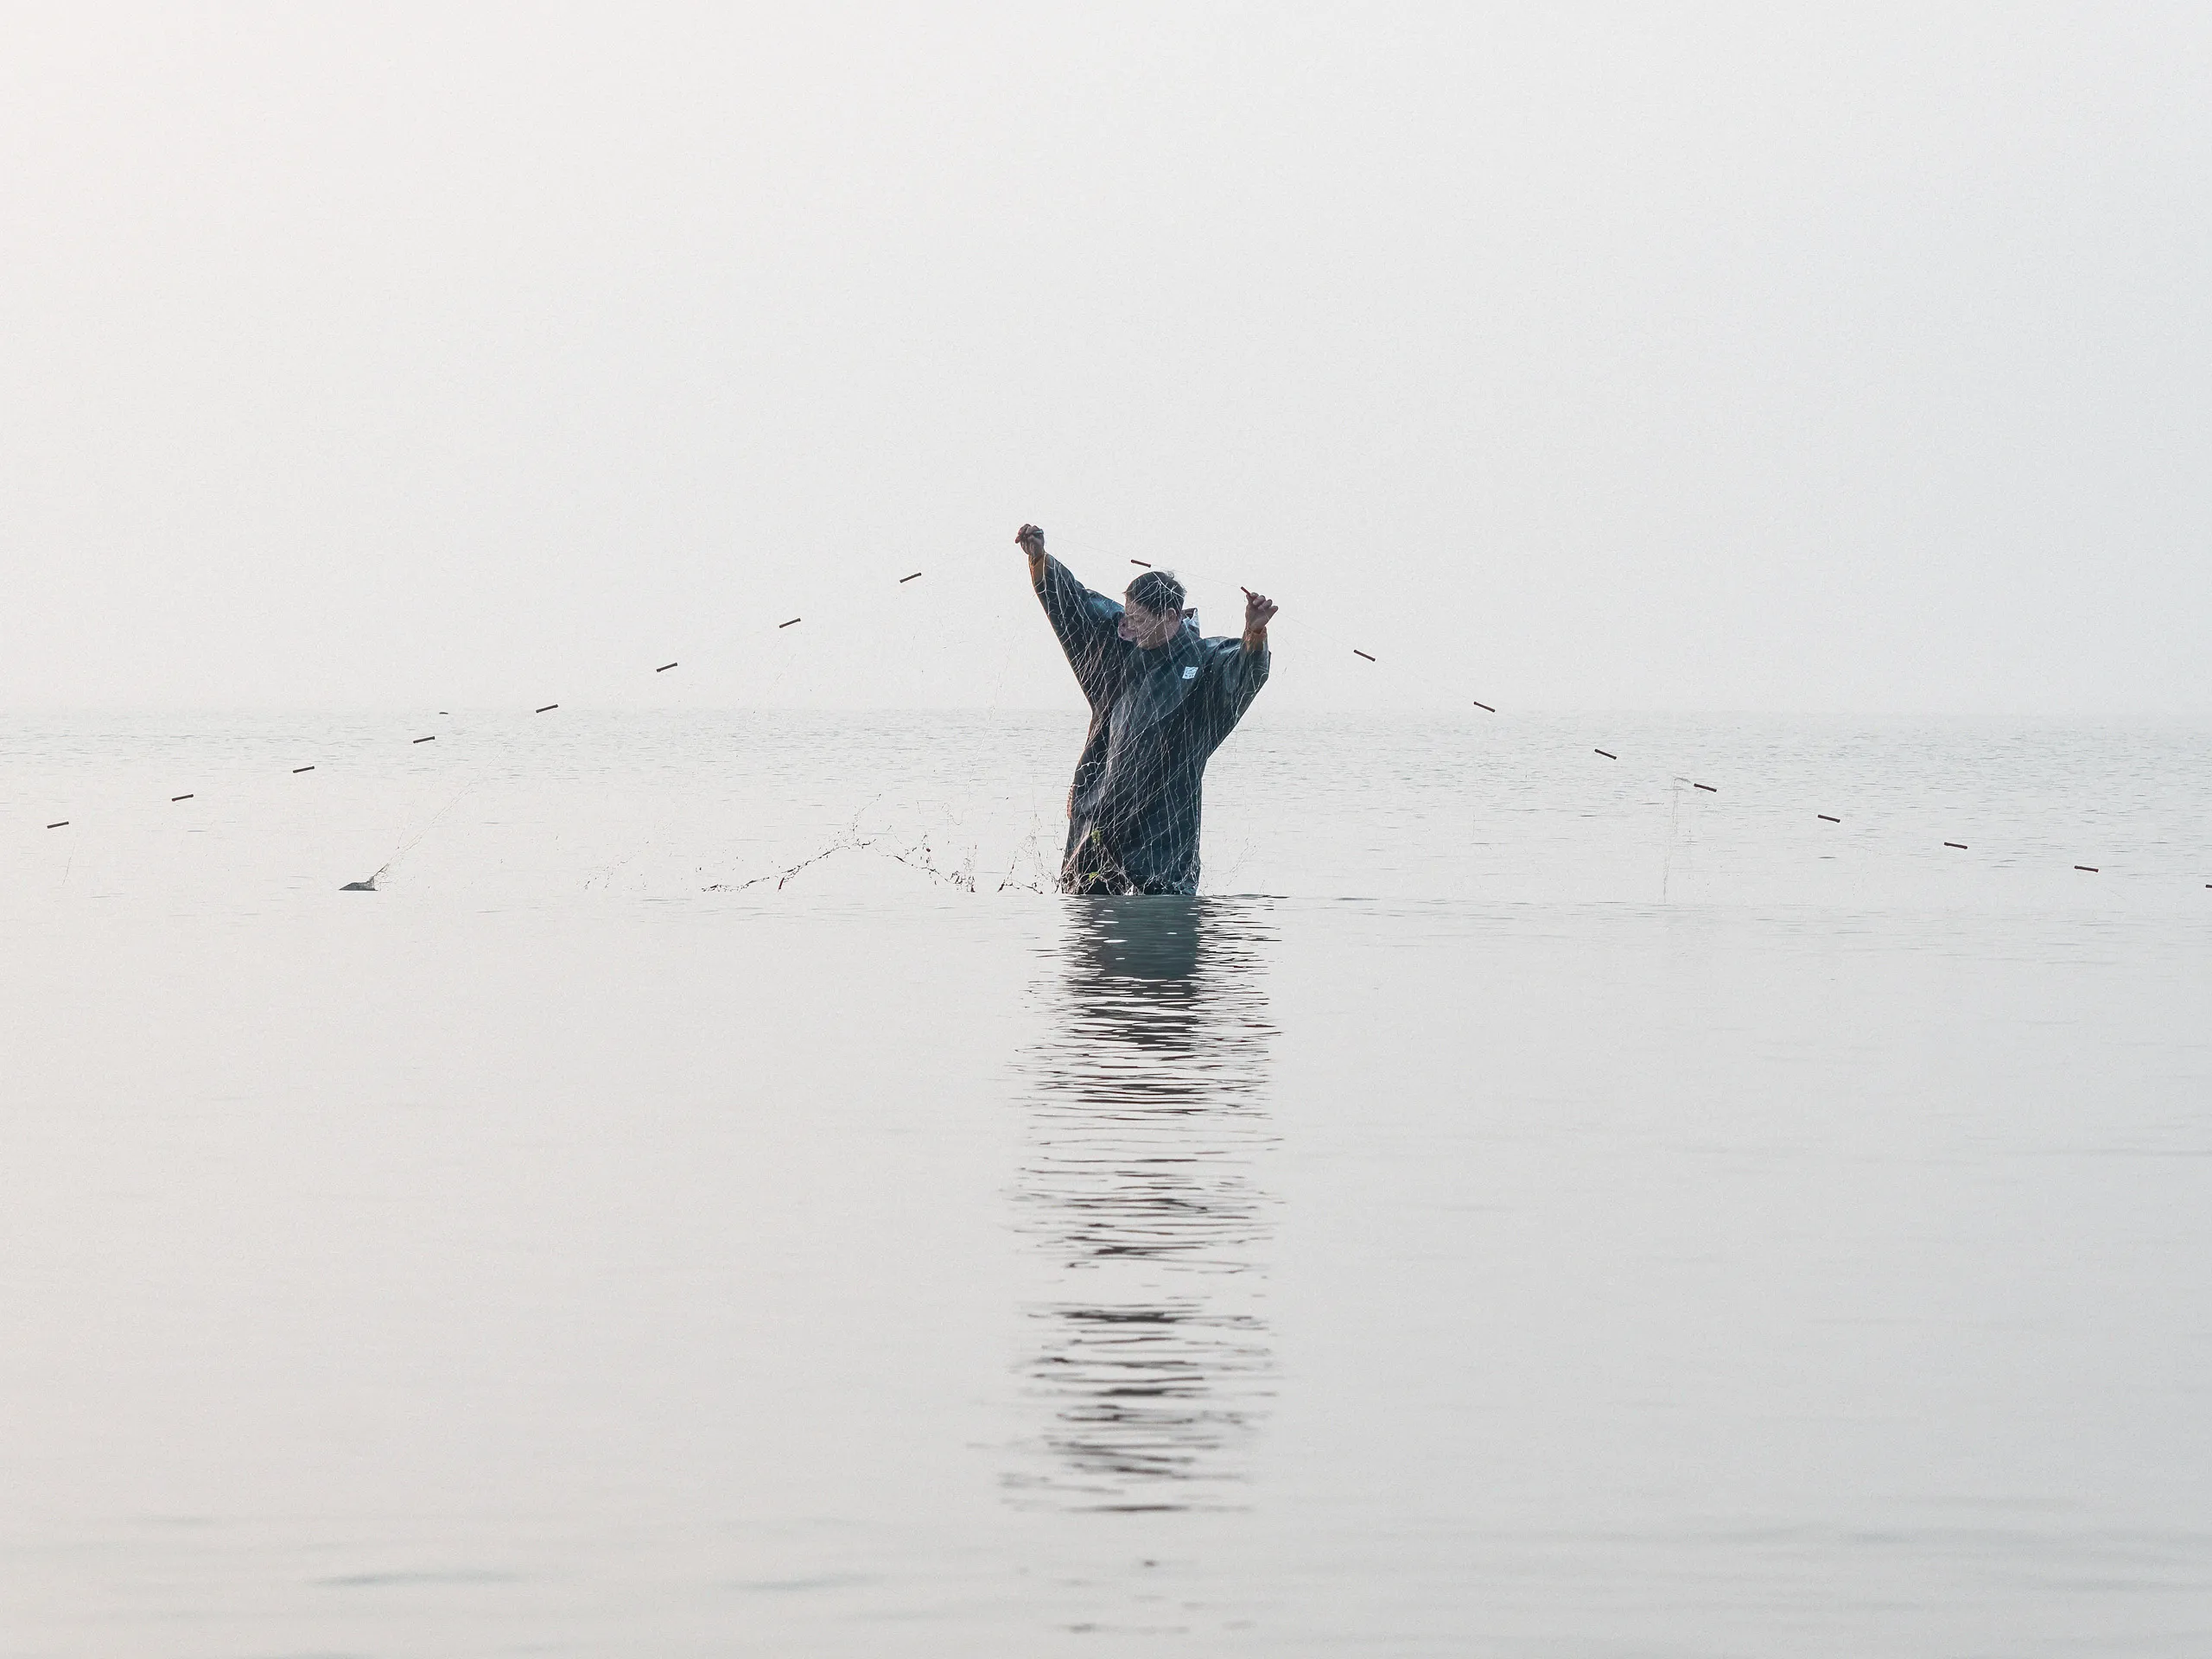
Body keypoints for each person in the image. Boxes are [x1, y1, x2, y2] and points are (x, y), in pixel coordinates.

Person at [1016, 523, 1278, 895]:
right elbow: (1076, 605)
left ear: (1171, 616)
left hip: (1165, 828)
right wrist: (1040, 559)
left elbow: (1245, 672)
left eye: (1140, 620)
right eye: (1129, 617)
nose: (1130, 628)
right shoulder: (1119, 647)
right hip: (1102, 809)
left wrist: (1254, 633)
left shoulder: (1205, 661)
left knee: (1161, 913)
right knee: (1086, 914)